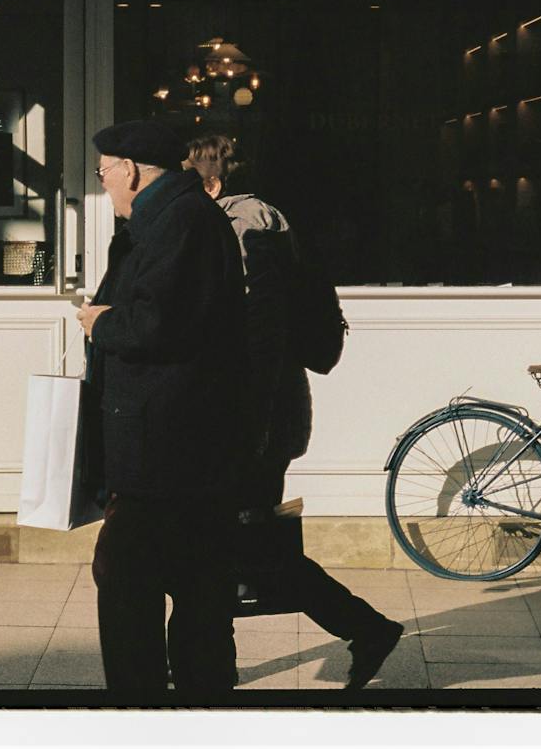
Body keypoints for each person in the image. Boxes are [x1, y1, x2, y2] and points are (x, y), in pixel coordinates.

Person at [184, 133, 405, 691]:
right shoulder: (248, 220)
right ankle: (207, 657)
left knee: (239, 547)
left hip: (256, 417)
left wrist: (250, 425)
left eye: (186, 180)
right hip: (260, 414)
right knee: (230, 544)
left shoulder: (245, 226)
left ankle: (364, 628)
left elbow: (260, 334)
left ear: (211, 183)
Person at [77, 119, 251, 700]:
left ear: (128, 170)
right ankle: (197, 701)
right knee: (195, 586)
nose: (103, 184)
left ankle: (142, 705)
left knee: (126, 576)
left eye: (104, 173)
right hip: (180, 440)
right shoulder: (170, 218)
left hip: (166, 443)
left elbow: (157, 322)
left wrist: (102, 323)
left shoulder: (176, 223)